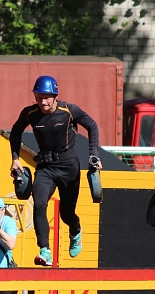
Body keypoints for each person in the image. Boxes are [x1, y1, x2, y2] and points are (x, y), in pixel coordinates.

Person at [9, 75, 101, 266]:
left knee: (66, 214)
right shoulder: (30, 113)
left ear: (55, 95)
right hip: (45, 168)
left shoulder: (68, 110)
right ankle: (45, 250)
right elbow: (16, 131)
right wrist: (15, 159)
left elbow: (92, 125)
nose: (43, 101)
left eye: (47, 97)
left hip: (69, 167)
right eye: (39, 96)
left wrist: (94, 155)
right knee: (39, 203)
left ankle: (75, 230)